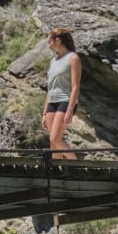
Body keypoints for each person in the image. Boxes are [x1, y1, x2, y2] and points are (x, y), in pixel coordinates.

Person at [42, 27, 82, 160]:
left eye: (50, 41)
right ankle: (56, 173)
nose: (49, 45)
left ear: (58, 40)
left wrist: (70, 110)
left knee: (56, 138)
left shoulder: (73, 58)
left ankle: (77, 166)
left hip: (66, 101)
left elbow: (75, 86)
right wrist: (44, 113)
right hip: (51, 103)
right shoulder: (53, 61)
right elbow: (50, 88)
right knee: (52, 143)